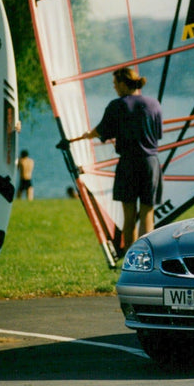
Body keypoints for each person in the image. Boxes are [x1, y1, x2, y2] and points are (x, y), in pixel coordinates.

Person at [70, 68, 163, 251]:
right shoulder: (154, 104)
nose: (114, 88)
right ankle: (146, 258)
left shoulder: (117, 105)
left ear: (122, 83)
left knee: (129, 217)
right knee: (147, 214)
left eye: (114, 84)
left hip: (128, 164)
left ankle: (132, 257)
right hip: (150, 163)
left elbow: (102, 130)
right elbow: (157, 135)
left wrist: (89, 135)